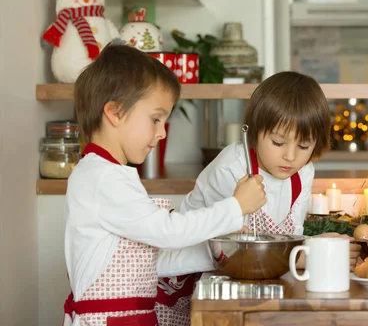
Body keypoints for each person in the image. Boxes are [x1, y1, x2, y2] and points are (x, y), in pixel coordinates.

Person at [62, 44, 266, 326]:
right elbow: (168, 233)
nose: (161, 133)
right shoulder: (101, 178)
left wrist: (218, 251)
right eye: (156, 119)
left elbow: (153, 262)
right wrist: (235, 207)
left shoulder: (111, 174)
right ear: (115, 113)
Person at [156, 71, 361, 325]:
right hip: (191, 279)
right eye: (277, 142)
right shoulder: (232, 168)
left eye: (304, 145)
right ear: (253, 132)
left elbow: (290, 237)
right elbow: (236, 251)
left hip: (253, 279)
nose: (290, 156)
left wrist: (315, 248)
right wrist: (307, 253)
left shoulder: (302, 172)